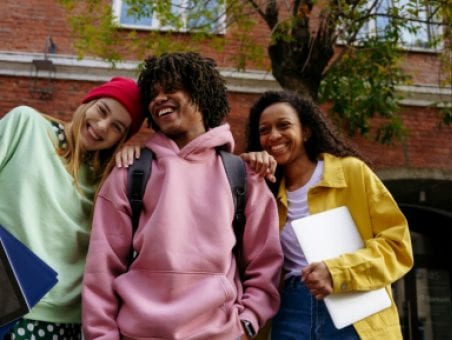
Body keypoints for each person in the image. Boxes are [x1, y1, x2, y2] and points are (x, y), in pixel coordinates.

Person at [81, 52, 283, 340]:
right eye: (153, 94)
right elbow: (102, 268)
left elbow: (265, 262)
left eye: (171, 89)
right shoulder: (130, 173)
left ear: (200, 93)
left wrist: (248, 320)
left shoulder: (243, 175)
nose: (159, 98)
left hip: (219, 334)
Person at [241, 90, 414, 339]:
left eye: (284, 125)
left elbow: (398, 246)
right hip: (290, 312)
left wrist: (337, 272)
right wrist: (242, 170)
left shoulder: (351, 173)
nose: (274, 135)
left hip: (354, 310)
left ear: (306, 132)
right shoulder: (263, 191)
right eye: (264, 130)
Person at [0, 77, 145, 339]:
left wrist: (140, 158)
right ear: (89, 101)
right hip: (4, 301)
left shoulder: (109, 179)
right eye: (102, 110)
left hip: (64, 322)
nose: (101, 127)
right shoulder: (26, 125)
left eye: (117, 127)